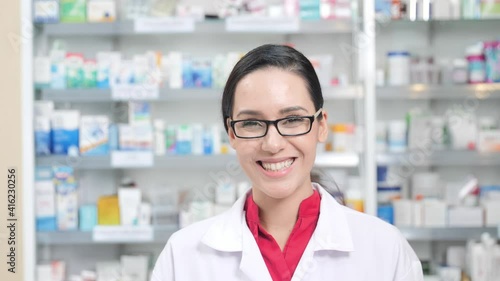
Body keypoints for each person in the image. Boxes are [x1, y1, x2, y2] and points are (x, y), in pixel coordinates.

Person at [151, 44, 424, 281]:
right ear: (231, 133)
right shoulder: (183, 257)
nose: (272, 144)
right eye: (251, 123)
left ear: (321, 125)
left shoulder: (385, 250)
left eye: (292, 120)